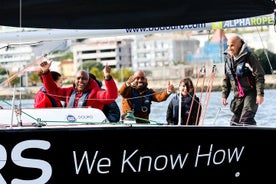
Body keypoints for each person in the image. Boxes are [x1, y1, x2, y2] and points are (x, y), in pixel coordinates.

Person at [222, 34, 265, 126]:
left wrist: (260, 94)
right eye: (228, 45)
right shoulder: (228, 59)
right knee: (234, 123)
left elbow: (259, 75)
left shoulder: (249, 57)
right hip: (238, 96)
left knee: (246, 120)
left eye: (232, 45)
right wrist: (224, 95)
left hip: (251, 93)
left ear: (240, 44)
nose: (230, 48)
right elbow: (226, 79)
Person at [39, 60, 118, 110]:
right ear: (74, 80)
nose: (81, 81)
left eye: (84, 79)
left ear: (89, 81)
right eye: (78, 78)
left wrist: (107, 77)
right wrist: (46, 72)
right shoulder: (68, 91)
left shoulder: (96, 93)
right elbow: (53, 91)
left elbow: (111, 96)